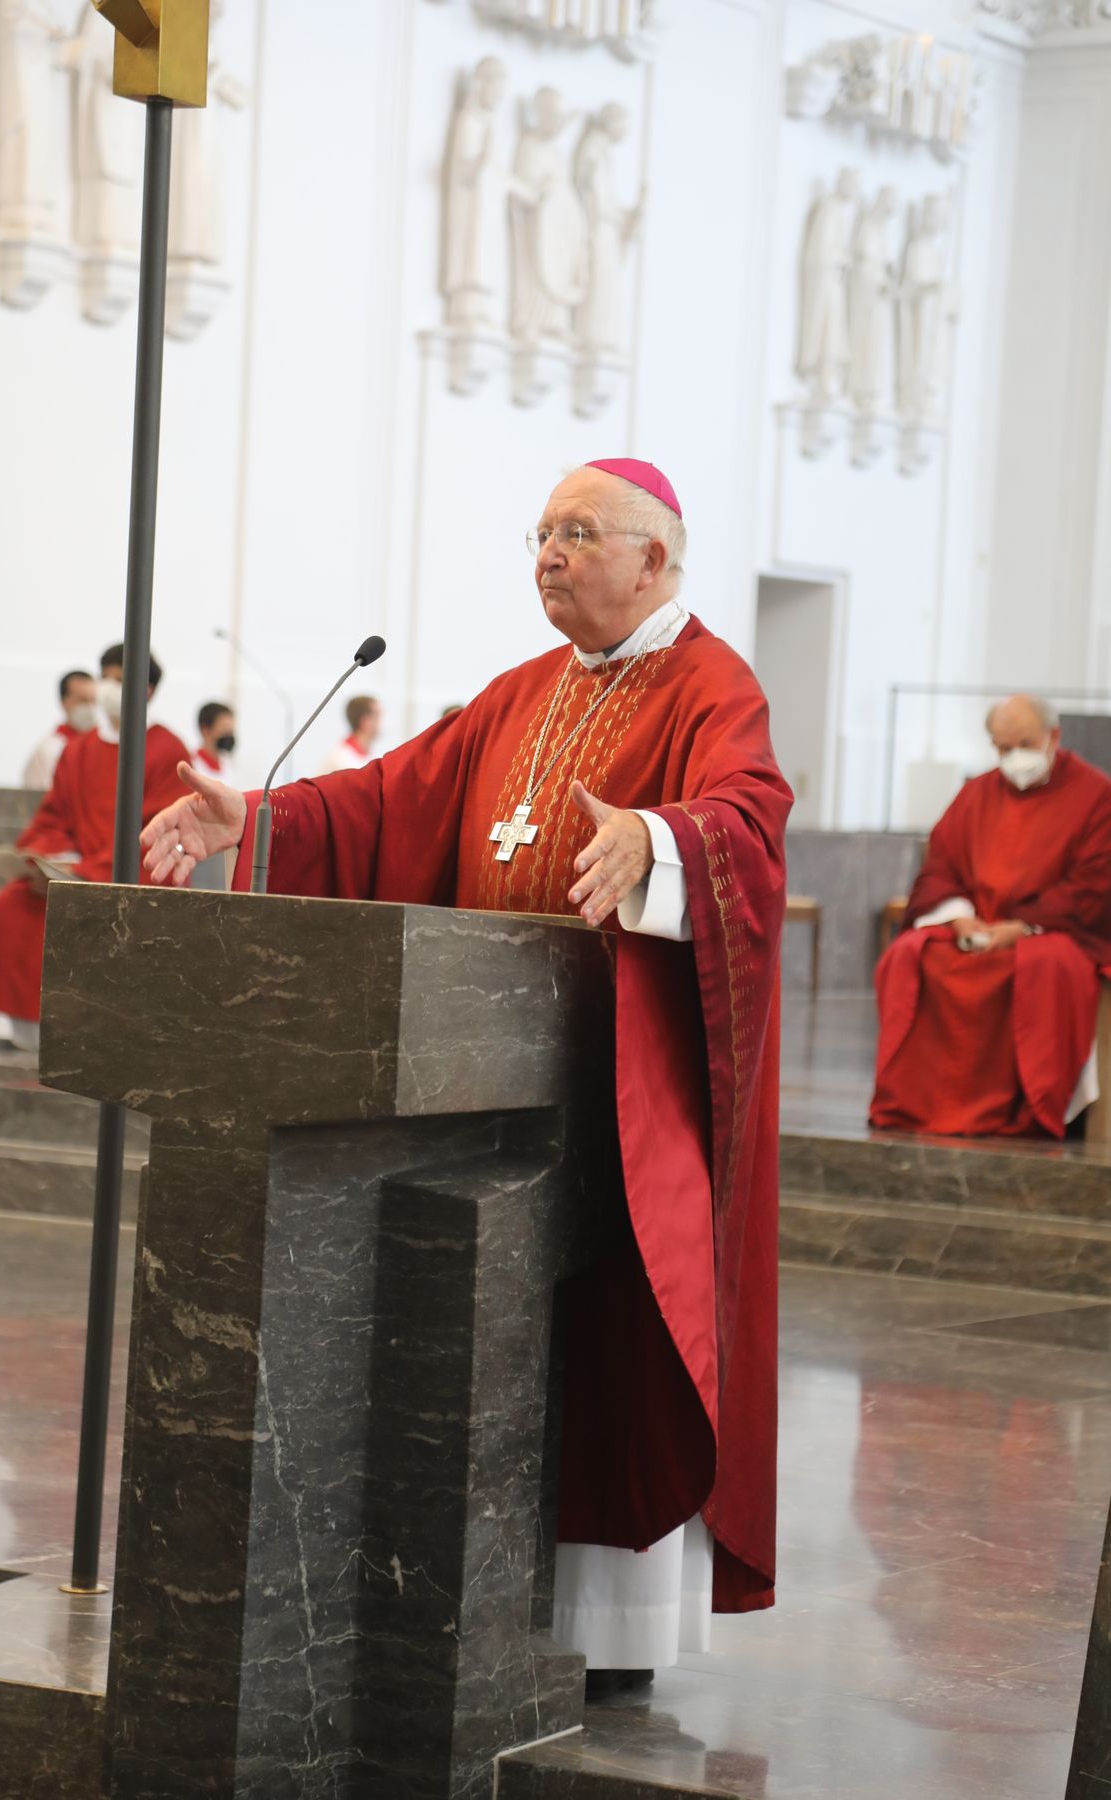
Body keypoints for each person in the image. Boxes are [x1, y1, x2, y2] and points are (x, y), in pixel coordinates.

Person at [141, 457, 792, 1691]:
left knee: (613, 1352)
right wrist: (260, 820)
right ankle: (477, 1601)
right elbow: (392, 801)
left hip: (618, 1094)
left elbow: (748, 825)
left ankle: (611, 1635)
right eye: (540, 533)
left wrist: (655, 840)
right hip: (478, 1086)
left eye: (578, 534)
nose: (547, 553)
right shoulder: (521, 691)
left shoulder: (714, 684)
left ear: (656, 557)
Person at [871, 695, 1111, 1138]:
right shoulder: (976, 793)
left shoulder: (1096, 796)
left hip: (1050, 932)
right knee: (909, 955)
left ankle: (1027, 1110)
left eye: (1023, 744)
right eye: (1002, 748)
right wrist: (959, 917)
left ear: (1052, 737)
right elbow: (940, 865)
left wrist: (1021, 928)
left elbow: (1095, 884)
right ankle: (918, 1105)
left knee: (1048, 968)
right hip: (975, 928)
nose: (1014, 757)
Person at [0, 644, 189, 1051]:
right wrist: (47, 859)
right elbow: (54, 817)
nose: (109, 687)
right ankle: (13, 1031)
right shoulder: (78, 749)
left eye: (120, 680)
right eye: (106, 677)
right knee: (11, 905)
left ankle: (83, 1035)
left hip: (133, 873)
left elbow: (160, 829)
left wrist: (90, 870)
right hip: (75, 871)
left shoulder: (168, 750)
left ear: (147, 690)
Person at [22, 669, 97, 789]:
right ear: (64, 702)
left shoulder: (104, 744)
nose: (90, 707)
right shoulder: (48, 749)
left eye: (93, 701)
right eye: (82, 700)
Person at [320, 694, 381, 774]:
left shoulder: (368, 756)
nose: (381, 723)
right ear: (366, 721)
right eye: (378, 717)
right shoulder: (342, 760)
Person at [193, 701, 237, 780]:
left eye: (231, 731)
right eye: (224, 729)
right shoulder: (193, 765)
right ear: (205, 730)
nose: (229, 736)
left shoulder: (229, 766)